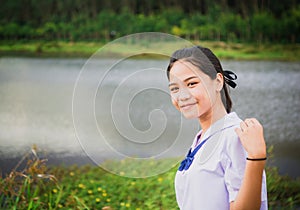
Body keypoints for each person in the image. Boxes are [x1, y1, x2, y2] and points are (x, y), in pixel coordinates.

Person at [167, 46, 268, 210]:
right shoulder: (203, 137)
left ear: (218, 82)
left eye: (192, 83)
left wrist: (257, 158)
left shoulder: (235, 136)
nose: (182, 96)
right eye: (175, 88)